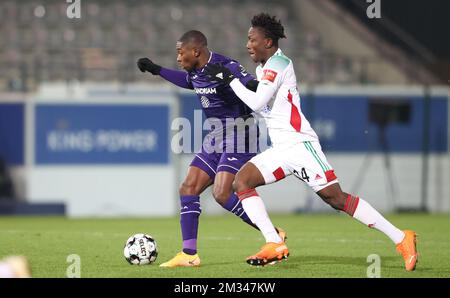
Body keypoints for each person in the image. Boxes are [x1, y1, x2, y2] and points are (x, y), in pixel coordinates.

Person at [205, 13, 418, 270]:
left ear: (268, 42)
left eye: (252, 39)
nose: (247, 44)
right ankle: (274, 242)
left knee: (336, 199)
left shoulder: (279, 63)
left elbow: (258, 103)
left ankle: (401, 237)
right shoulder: (263, 69)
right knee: (242, 181)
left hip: (300, 145)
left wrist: (229, 79)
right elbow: (260, 102)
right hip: (281, 149)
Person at [137, 30, 286, 267]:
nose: (178, 58)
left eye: (180, 53)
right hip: (216, 136)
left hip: (241, 133)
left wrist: (270, 88)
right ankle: (189, 255)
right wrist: (157, 69)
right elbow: (188, 82)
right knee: (188, 188)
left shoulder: (226, 65)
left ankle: (273, 235)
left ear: (195, 51)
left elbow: (254, 86)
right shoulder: (195, 72)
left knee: (222, 193)